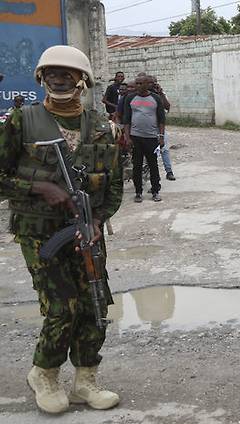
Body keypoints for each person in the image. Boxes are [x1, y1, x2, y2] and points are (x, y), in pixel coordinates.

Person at [0, 45, 122, 414]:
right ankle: (45, 373)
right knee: (62, 305)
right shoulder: (22, 121)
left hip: (87, 231)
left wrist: (98, 220)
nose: (59, 79)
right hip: (40, 233)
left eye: (67, 74)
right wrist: (39, 187)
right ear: (41, 78)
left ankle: (85, 380)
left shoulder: (101, 126)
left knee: (94, 303)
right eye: (52, 73)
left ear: (82, 80)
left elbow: (114, 185)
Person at [123, 75, 166, 202]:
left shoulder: (155, 98)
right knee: (137, 165)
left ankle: (155, 190)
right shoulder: (130, 98)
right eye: (137, 83)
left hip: (151, 137)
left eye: (141, 83)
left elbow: (161, 119)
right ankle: (138, 192)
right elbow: (126, 120)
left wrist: (161, 137)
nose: (138, 86)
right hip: (135, 137)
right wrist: (127, 137)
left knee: (153, 165)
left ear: (148, 84)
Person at [152, 78, 176, 181]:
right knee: (150, 152)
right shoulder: (143, 96)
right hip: (147, 127)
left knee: (164, 149)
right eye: (152, 83)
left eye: (155, 82)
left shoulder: (160, 94)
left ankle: (169, 171)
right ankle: (152, 175)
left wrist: (160, 93)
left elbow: (167, 107)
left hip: (159, 126)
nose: (154, 84)